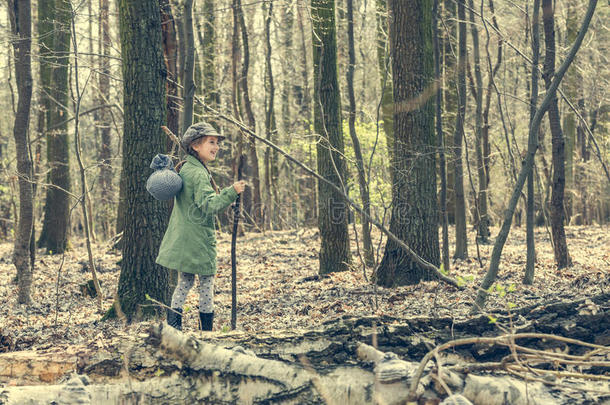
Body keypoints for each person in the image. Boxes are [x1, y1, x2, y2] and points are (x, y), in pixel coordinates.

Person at [156, 122, 246, 331]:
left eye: (217, 143)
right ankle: (207, 334)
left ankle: (173, 330)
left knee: (184, 284)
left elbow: (198, 201)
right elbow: (209, 205)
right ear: (196, 146)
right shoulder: (197, 173)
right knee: (206, 286)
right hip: (198, 242)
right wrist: (231, 191)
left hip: (185, 239)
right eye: (211, 142)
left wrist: (225, 197)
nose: (216, 147)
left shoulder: (188, 168)